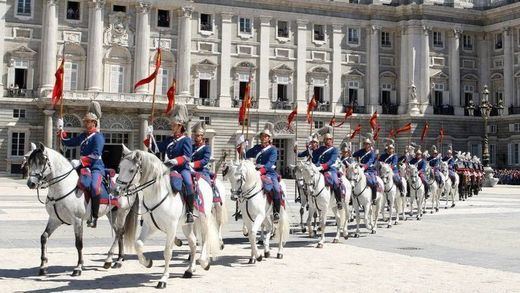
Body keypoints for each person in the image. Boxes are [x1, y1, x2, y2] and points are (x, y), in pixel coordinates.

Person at [58, 101, 106, 228]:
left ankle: (94, 217)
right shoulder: (84, 135)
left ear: (94, 123)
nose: (85, 123)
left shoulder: (98, 137)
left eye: (88, 121)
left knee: (95, 188)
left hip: (96, 167)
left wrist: (82, 161)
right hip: (84, 167)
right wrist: (61, 132)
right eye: (85, 121)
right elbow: (70, 142)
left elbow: (96, 154)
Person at [148, 104, 195, 223]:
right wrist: (150, 136)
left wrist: (175, 160)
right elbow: (156, 148)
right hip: (169, 169)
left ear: (180, 126)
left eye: (174, 125)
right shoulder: (169, 140)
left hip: (182, 169)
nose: (172, 127)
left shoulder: (186, 140)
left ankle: (190, 211)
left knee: (189, 184)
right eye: (172, 125)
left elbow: (187, 156)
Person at [242, 122, 282, 222]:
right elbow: (245, 155)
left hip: (269, 172)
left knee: (276, 189)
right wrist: (243, 147)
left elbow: (270, 163)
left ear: (269, 138)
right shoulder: (257, 148)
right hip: (256, 171)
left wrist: (261, 171)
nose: (263, 138)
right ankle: (241, 209)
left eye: (265, 136)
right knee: (242, 186)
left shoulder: (273, 149)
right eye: (262, 136)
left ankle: (276, 211)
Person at [313, 126, 343, 209]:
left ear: (332, 140)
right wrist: (311, 142)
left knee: (336, 182)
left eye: (329, 139)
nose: (328, 141)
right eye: (326, 139)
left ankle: (339, 201)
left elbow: (332, 161)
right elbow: (315, 155)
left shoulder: (335, 150)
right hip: (320, 169)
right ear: (324, 140)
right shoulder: (321, 148)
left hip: (330, 169)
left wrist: (322, 166)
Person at [190, 121, 219, 200]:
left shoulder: (206, 147)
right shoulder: (192, 147)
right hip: (190, 170)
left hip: (202, 170)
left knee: (208, 185)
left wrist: (194, 164)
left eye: (198, 136)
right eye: (195, 136)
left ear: (202, 136)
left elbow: (205, 160)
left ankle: (213, 200)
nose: (196, 137)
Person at [352, 134, 378, 201]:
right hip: (360, 170)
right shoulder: (361, 151)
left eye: (367, 144)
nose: (366, 145)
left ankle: (374, 197)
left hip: (369, 170)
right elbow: (354, 154)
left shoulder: (372, 153)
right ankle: (354, 197)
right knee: (352, 179)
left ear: (370, 145)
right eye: (365, 144)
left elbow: (370, 161)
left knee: (373, 182)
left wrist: (364, 167)